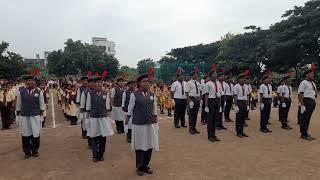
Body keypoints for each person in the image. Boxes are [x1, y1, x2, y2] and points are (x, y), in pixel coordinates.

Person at [126, 74, 159, 176]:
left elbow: (154, 108)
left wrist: (155, 119)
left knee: (149, 144)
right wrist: (127, 118)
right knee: (140, 145)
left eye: (148, 81)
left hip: (149, 123)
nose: (147, 83)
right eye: (144, 81)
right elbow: (130, 108)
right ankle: (139, 166)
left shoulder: (152, 94)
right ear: (139, 83)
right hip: (139, 124)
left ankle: (146, 165)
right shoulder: (134, 94)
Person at [16, 75, 45, 159]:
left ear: (34, 82)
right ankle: (27, 152)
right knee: (25, 134)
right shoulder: (20, 91)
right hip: (24, 116)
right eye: (28, 80)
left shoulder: (39, 91)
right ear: (25, 82)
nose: (30, 82)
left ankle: (35, 151)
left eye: (32, 80)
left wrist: (41, 115)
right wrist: (17, 115)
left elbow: (41, 104)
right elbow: (19, 104)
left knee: (35, 133)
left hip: (35, 116)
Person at [86, 76, 113, 162]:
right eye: (97, 82)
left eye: (100, 82)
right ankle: (95, 155)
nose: (99, 84)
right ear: (94, 84)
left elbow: (107, 106)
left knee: (102, 136)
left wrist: (107, 116)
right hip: (94, 118)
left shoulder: (105, 93)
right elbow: (88, 106)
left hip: (103, 118)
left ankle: (101, 154)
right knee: (94, 136)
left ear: (102, 83)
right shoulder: (90, 94)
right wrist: (88, 118)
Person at [298, 65, 317, 141]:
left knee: (308, 118)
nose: (312, 75)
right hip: (306, 101)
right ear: (307, 75)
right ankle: (303, 134)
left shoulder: (313, 83)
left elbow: (314, 92)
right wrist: (302, 105)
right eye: (311, 73)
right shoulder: (304, 82)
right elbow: (300, 94)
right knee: (304, 118)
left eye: (313, 73)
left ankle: (305, 132)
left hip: (311, 102)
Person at [204, 70, 221, 142]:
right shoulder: (208, 84)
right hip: (211, 101)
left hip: (217, 100)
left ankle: (214, 135)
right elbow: (206, 95)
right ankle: (210, 136)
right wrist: (206, 106)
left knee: (215, 119)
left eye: (216, 73)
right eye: (214, 73)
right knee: (210, 120)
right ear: (210, 75)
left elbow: (219, 93)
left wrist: (219, 104)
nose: (216, 74)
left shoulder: (218, 83)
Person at [233, 72, 249, 138]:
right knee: (239, 118)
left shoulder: (246, 86)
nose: (244, 80)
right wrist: (236, 105)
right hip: (239, 102)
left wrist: (247, 104)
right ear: (239, 79)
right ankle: (238, 132)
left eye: (245, 78)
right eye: (243, 78)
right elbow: (235, 96)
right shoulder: (236, 86)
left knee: (243, 118)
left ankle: (242, 131)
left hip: (244, 102)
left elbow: (247, 95)